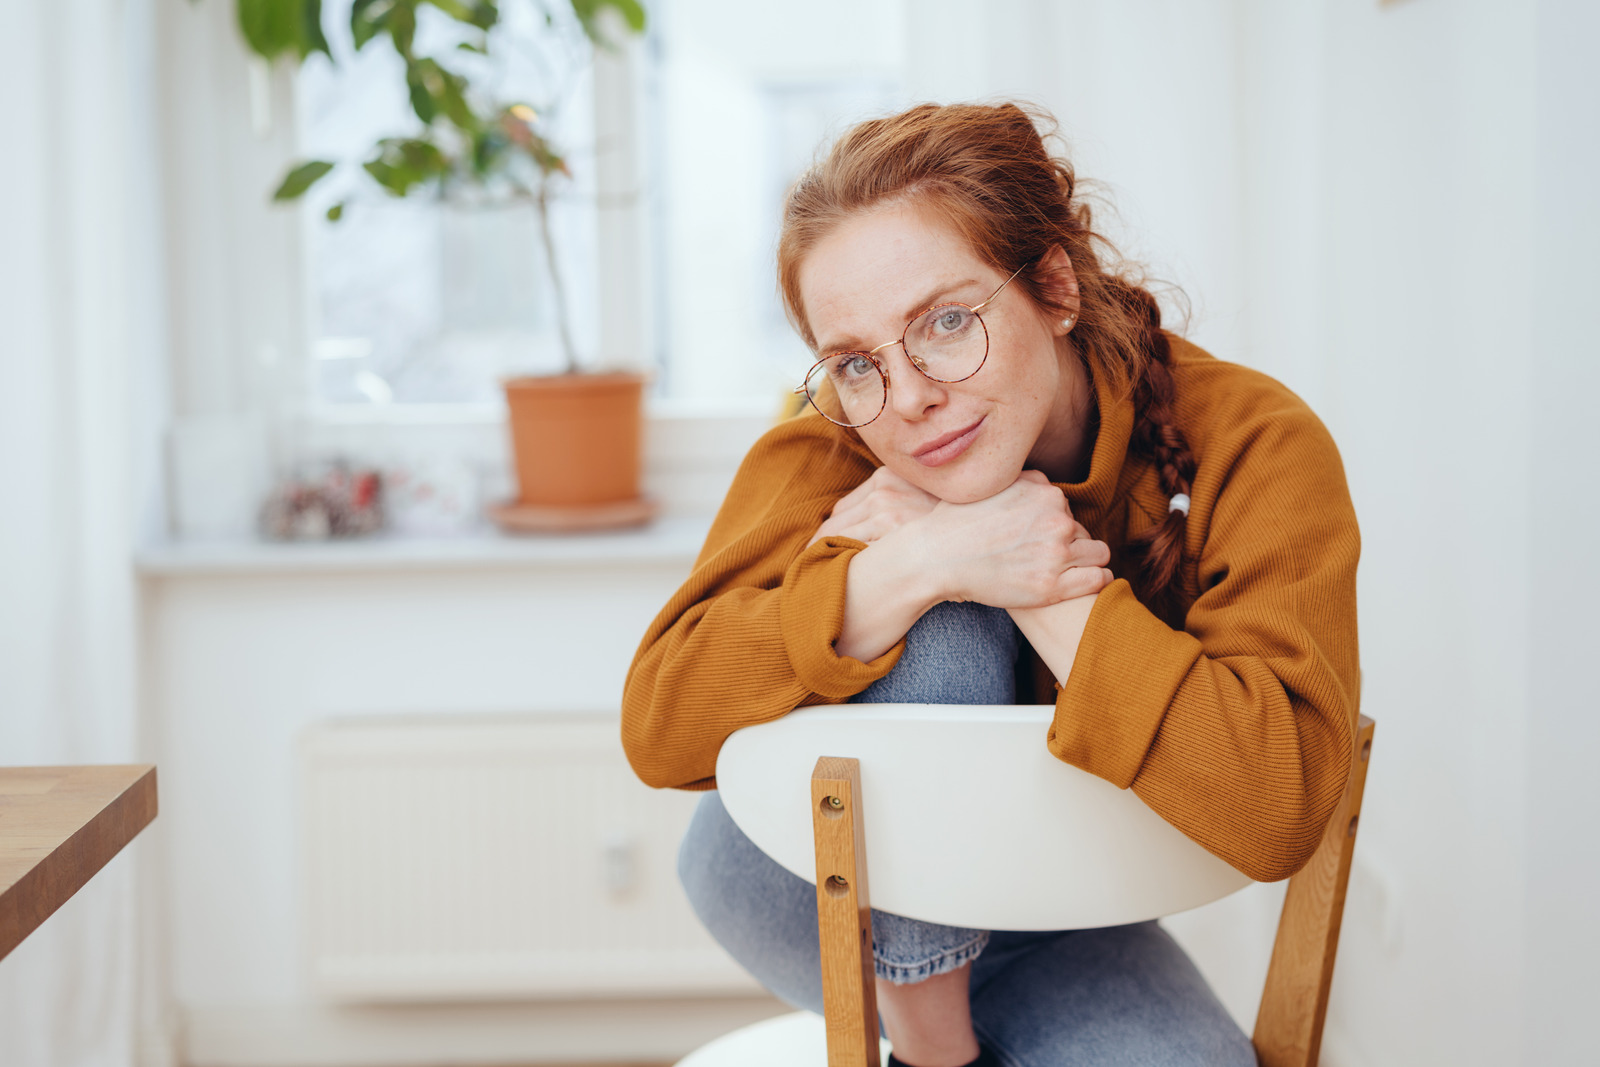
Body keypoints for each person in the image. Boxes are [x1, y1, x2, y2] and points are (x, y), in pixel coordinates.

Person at [621, 101, 1360, 1067]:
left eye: (947, 322)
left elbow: (1280, 809)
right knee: (944, 616)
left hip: (1052, 916)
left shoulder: (1256, 442)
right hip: (807, 881)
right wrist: (918, 566)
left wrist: (1042, 583)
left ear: (1054, 284)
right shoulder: (834, 445)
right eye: (855, 362)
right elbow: (657, 727)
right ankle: (932, 1044)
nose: (912, 396)